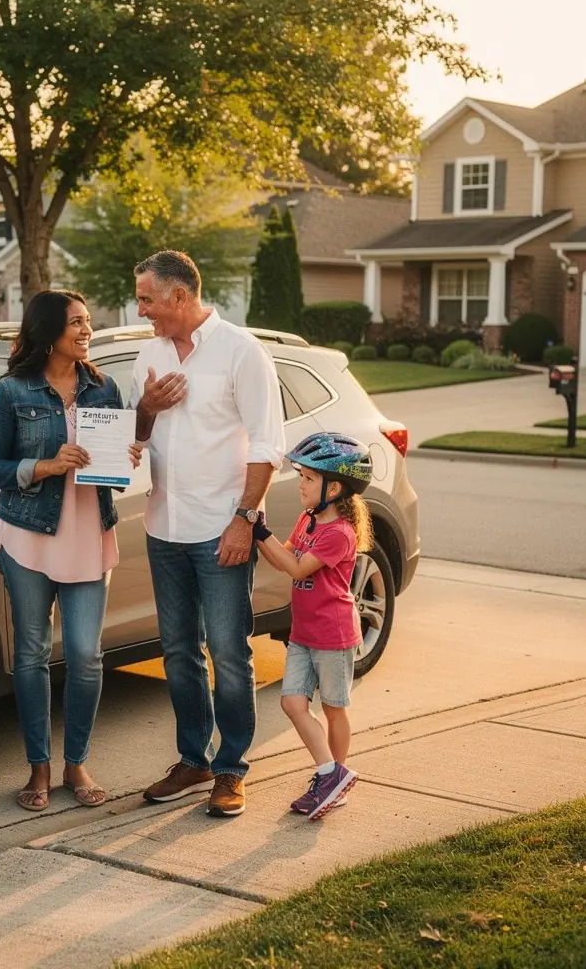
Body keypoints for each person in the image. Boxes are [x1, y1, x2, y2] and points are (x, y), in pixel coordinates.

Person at [131, 250, 286, 818]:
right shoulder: (148, 354)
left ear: (179, 296)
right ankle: (193, 760)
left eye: (147, 298)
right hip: (163, 524)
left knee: (228, 650)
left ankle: (230, 768)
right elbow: (136, 440)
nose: (141, 308)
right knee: (177, 652)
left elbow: (268, 445)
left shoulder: (241, 352)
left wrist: (244, 520)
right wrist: (145, 409)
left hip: (223, 529)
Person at [0, 290, 141, 812]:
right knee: (30, 655)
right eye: (76, 322)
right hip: (28, 537)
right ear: (49, 330)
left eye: (89, 321)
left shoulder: (103, 387)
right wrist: (45, 465)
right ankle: (38, 768)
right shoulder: (10, 391)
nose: (86, 330)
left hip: (89, 536)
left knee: (87, 657)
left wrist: (127, 455)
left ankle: (76, 763)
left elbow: (112, 469)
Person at [253, 432, 374, 820]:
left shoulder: (340, 533)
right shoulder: (308, 520)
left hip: (333, 635)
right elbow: (284, 555)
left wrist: (260, 531)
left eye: (307, 477)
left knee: (334, 709)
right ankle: (331, 774)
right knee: (292, 703)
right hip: (304, 632)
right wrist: (258, 533)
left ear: (333, 487)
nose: (301, 483)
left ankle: (332, 781)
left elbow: (297, 568)